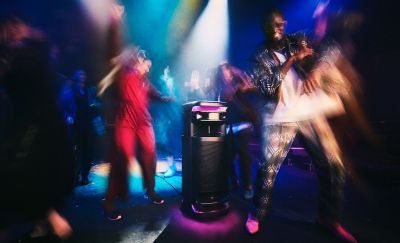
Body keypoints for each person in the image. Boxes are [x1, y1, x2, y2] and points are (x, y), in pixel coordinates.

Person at [245, 9, 357, 243]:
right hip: (280, 115)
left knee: (333, 165)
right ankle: (256, 213)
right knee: (268, 169)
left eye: (279, 25)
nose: (277, 29)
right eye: (272, 26)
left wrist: (316, 69)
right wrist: (293, 60)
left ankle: (329, 219)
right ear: (264, 27)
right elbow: (266, 86)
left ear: (284, 24)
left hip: (307, 110)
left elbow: (329, 48)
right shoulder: (259, 54)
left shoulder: (297, 39)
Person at [0, 16, 74, 240]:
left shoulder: (29, 54)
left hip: (38, 125)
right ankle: (44, 220)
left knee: (25, 170)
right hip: (30, 123)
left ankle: (49, 217)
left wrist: (28, 34)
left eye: (16, 27)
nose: (13, 32)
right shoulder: (15, 56)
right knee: (31, 171)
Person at [100, 47, 172, 221]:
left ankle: (151, 190)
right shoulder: (125, 74)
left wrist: (164, 97)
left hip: (144, 124)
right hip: (126, 123)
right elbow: (116, 60)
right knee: (122, 158)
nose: (148, 68)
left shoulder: (145, 82)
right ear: (139, 61)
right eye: (147, 65)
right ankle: (110, 201)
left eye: (149, 66)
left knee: (150, 153)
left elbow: (154, 94)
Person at [214, 61, 259, 199]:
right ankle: (233, 183)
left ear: (230, 72)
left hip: (244, 124)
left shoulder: (240, 82)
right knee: (227, 158)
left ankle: (247, 186)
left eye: (226, 71)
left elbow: (254, 86)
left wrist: (239, 73)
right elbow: (225, 97)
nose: (224, 75)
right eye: (222, 73)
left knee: (244, 156)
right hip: (229, 126)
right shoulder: (221, 89)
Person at [59, 69, 93, 186]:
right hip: (75, 126)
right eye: (80, 75)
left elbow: (94, 106)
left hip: (86, 126)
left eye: (84, 74)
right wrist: (68, 116)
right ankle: (75, 176)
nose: (82, 77)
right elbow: (63, 107)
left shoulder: (88, 91)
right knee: (75, 153)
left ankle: (84, 176)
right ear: (75, 77)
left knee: (86, 152)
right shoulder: (70, 92)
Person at [154, 66, 180, 178]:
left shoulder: (173, 82)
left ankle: (172, 167)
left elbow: (175, 98)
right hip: (161, 114)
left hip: (170, 114)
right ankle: (170, 166)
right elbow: (157, 96)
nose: (167, 70)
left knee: (167, 140)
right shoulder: (159, 81)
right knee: (160, 141)